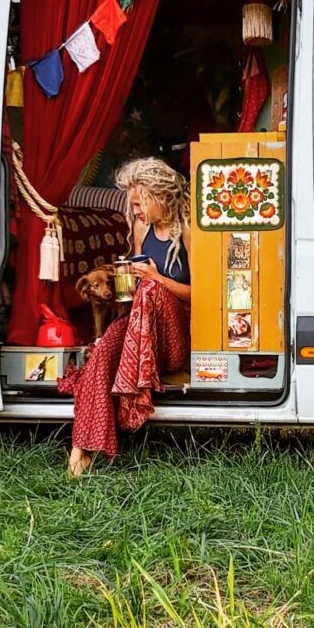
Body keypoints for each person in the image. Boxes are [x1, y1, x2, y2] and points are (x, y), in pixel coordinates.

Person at [58, 157, 192, 476]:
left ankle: (133, 391)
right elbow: (134, 285)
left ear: (158, 196)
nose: (134, 212)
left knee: (149, 290)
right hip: (139, 327)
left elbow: (202, 294)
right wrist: (121, 279)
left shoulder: (188, 230)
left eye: (137, 204)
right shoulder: (141, 227)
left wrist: (155, 278)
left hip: (174, 335)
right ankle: (82, 448)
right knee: (102, 351)